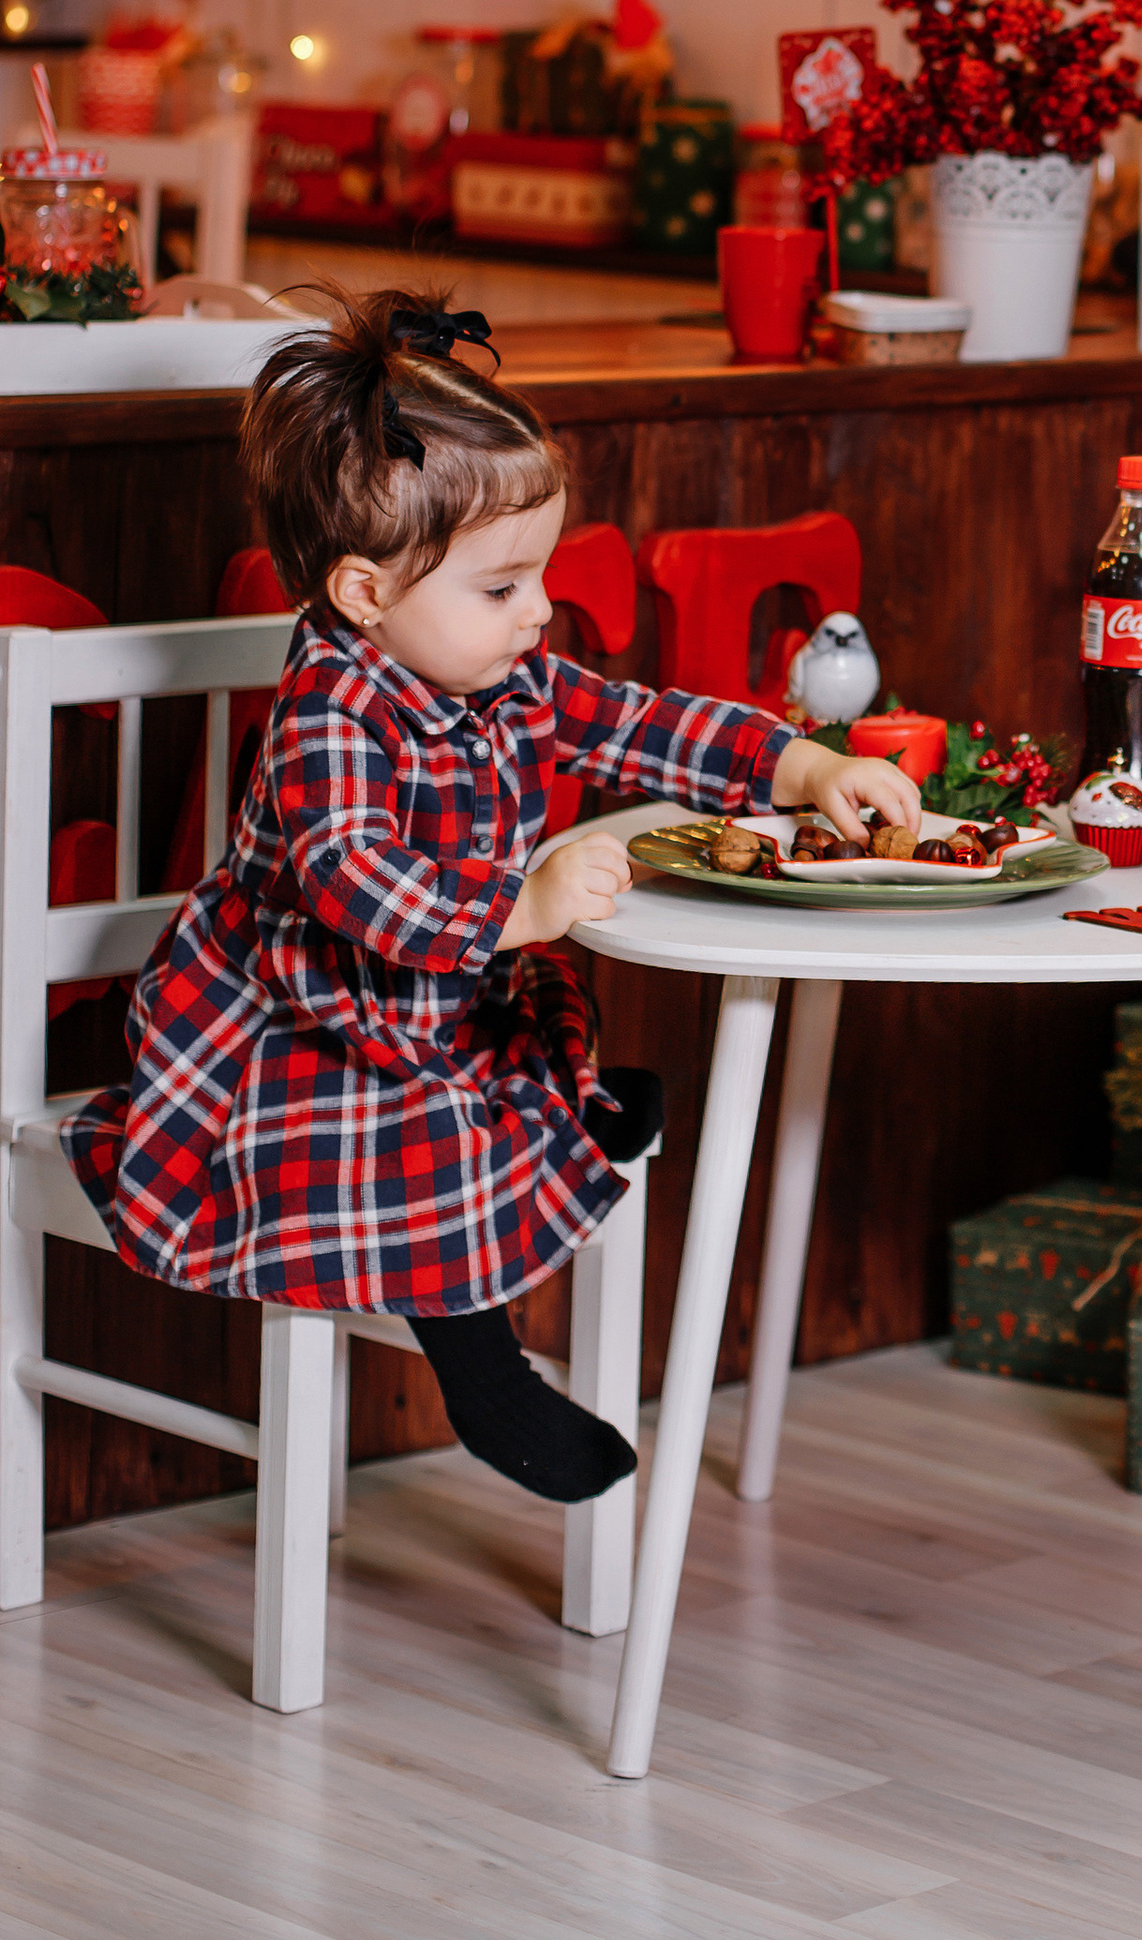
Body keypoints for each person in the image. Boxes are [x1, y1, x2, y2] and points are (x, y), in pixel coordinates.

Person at [63, 290, 920, 1501]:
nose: (540, 612)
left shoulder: (502, 677)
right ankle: (486, 1381)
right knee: (409, 1136)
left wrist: (804, 764)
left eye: (540, 578)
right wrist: (522, 902)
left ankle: (562, 1120)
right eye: (504, 588)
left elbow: (638, 721)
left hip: (423, 1012)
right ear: (365, 594)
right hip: (294, 1031)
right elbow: (355, 878)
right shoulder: (333, 711)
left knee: (520, 1042)